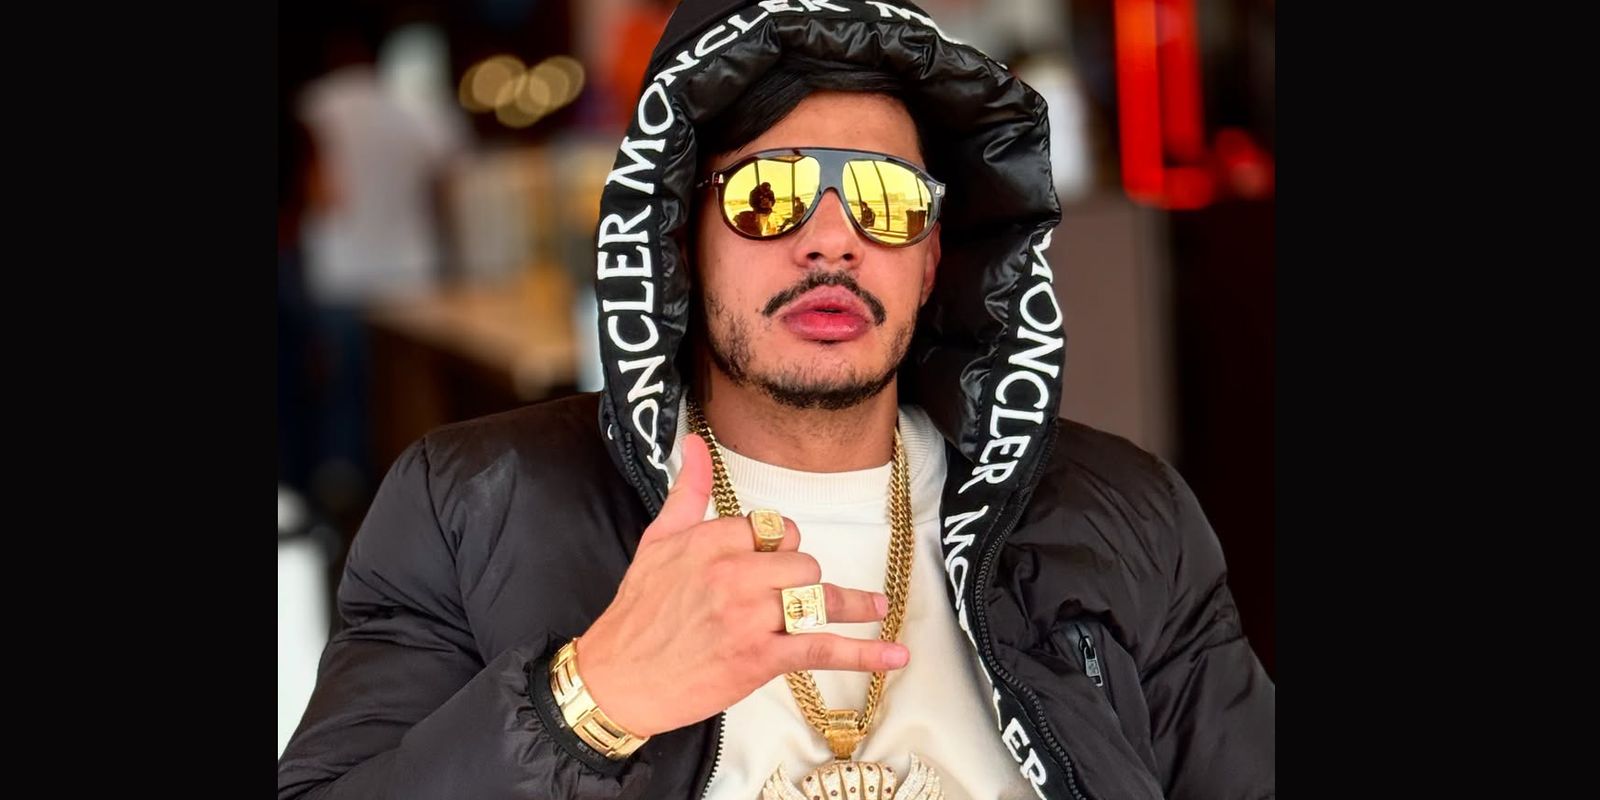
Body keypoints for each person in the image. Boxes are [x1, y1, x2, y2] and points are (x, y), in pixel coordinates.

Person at [277, 2, 1274, 799]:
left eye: (887, 202)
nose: (832, 240)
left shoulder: (1125, 516)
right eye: (769, 194)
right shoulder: (476, 505)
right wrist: (588, 700)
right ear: (679, 237)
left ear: (933, 258)